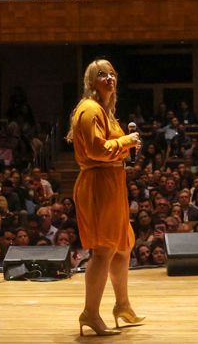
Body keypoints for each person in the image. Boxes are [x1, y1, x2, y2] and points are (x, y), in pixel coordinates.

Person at [68, 59, 143, 336]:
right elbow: (97, 150)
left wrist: (125, 145)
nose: (109, 78)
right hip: (98, 183)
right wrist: (127, 141)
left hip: (112, 182)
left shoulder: (105, 111)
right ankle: (90, 313)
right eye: (102, 74)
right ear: (91, 82)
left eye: (112, 73)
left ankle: (122, 305)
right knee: (103, 250)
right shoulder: (90, 109)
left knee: (123, 246)